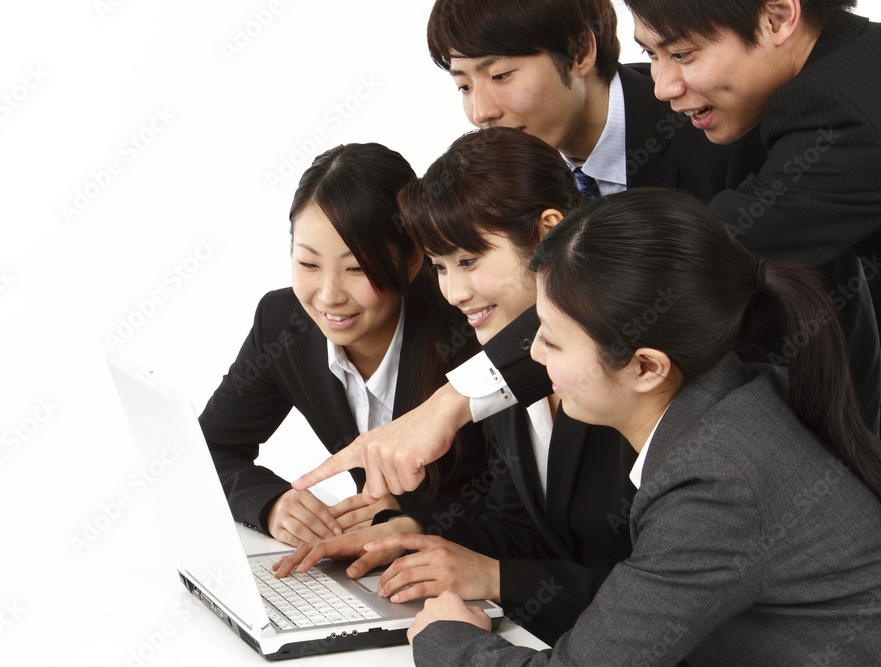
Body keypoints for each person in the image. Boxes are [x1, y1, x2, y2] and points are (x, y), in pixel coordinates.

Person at [292, 0, 767, 501]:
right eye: (463, 85)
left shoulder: (710, 123)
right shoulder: (516, 188)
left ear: (580, 51)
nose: (480, 111)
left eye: (501, 75)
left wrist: (454, 401)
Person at [407, 188, 881, 665]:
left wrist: (446, 636)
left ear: (646, 367)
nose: (532, 354)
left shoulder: (717, 485)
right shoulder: (737, 406)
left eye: (552, 341)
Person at [276, 128, 636, 644]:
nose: (453, 292)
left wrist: (495, 578)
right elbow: (520, 529)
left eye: (468, 261)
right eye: (441, 268)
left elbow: (662, 596)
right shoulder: (501, 373)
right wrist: (414, 531)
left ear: (548, 234)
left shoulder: (622, 373)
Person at [198, 142, 488, 547]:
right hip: (365, 566)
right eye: (308, 264)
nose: (329, 296)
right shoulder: (283, 324)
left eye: (356, 268)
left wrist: (415, 520)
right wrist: (271, 504)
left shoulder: (472, 324)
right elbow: (208, 449)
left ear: (412, 260)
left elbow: (526, 506)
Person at [626, 0, 881, 433]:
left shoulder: (837, 113)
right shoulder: (857, 57)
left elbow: (696, 257)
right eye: (651, 54)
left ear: (777, 18)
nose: (663, 87)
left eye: (683, 54)